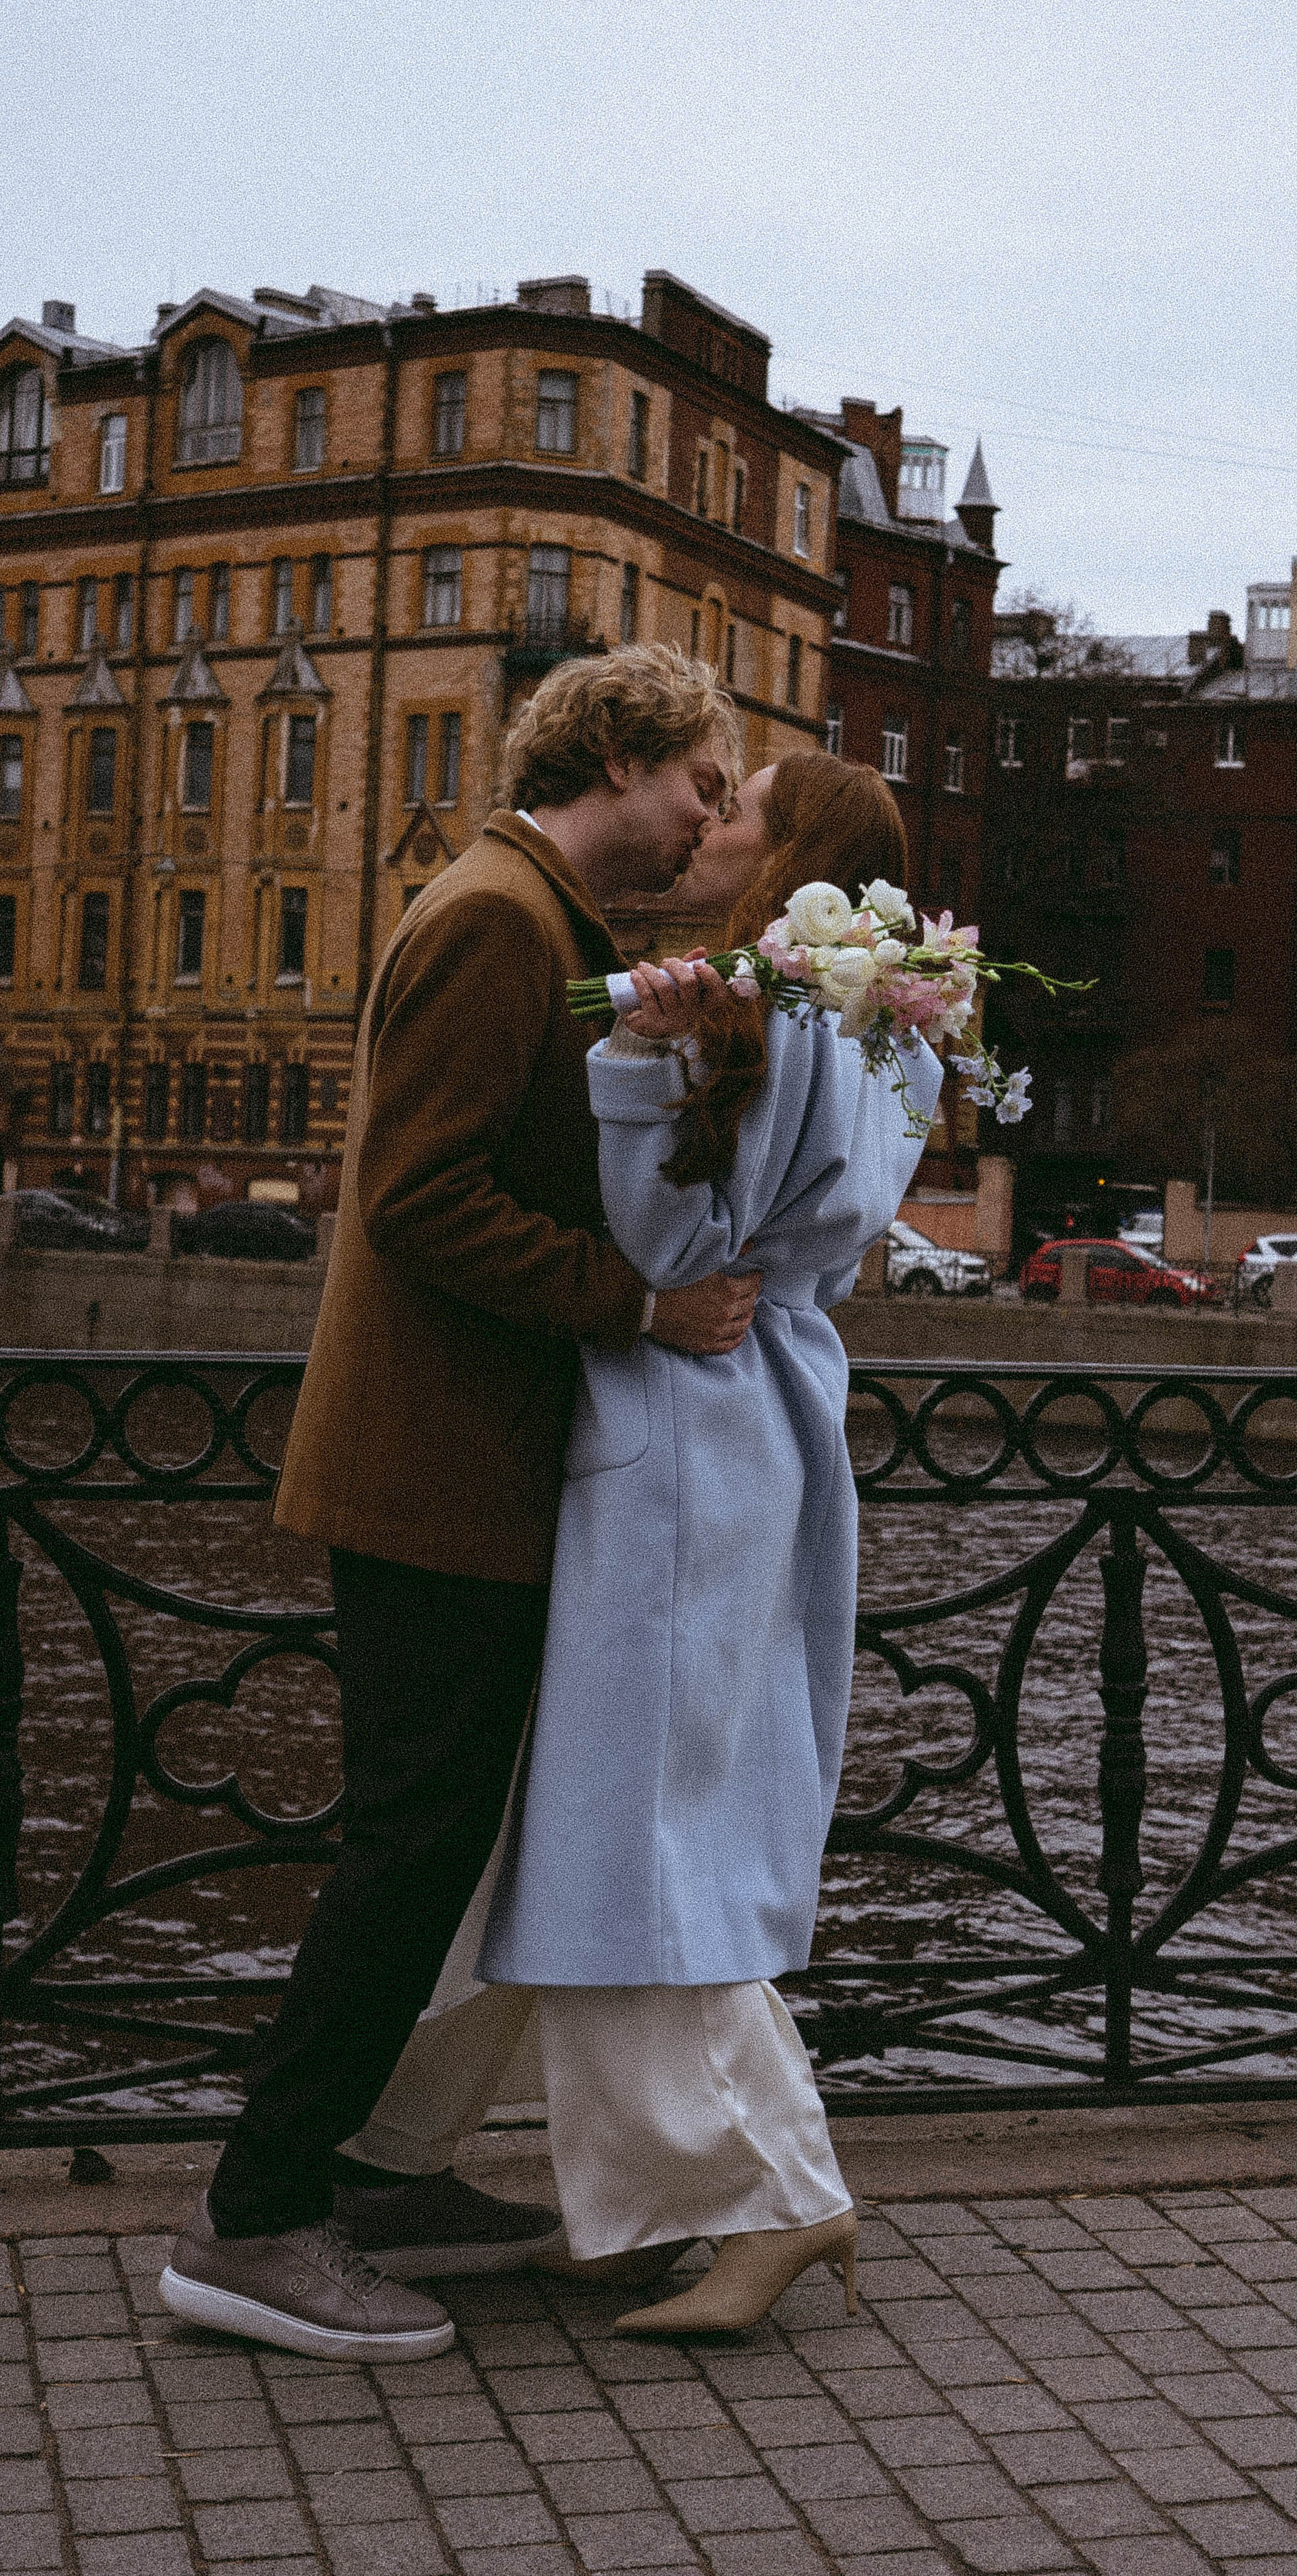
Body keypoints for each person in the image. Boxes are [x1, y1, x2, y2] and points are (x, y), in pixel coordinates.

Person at [159, 647, 762, 2363]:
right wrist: (635, 1302)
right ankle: (255, 2221)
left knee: (440, 1848)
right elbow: (416, 1199)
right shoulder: (499, 921)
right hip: (435, 1470)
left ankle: (368, 2176)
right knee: (408, 1848)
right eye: (700, 785)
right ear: (621, 755)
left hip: (462, 1465)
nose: (708, 821)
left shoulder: (537, 918)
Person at [351, 752, 935, 2335]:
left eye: (735, 809)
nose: (704, 824)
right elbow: (820, 1241)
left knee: (638, 1838)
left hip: (676, 1425)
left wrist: (628, 1062)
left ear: (784, 852)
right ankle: (623, 2203)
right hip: (767, 1412)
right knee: (626, 1820)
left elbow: (676, 1243)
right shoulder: (889, 1021)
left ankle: (780, 2199)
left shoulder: (748, 1008)